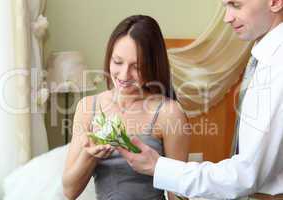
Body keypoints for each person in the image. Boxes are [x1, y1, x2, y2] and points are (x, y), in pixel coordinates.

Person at [117, 0, 283, 199]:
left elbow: (246, 176)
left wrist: (158, 167)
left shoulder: (277, 67)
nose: (227, 18)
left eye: (236, 5)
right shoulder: (262, 57)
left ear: (275, 2)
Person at [62, 15, 190, 200]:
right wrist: (90, 156)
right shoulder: (87, 107)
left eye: (136, 67)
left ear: (152, 66)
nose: (123, 74)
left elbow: (177, 195)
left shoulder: (169, 113)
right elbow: (69, 191)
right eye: (118, 62)